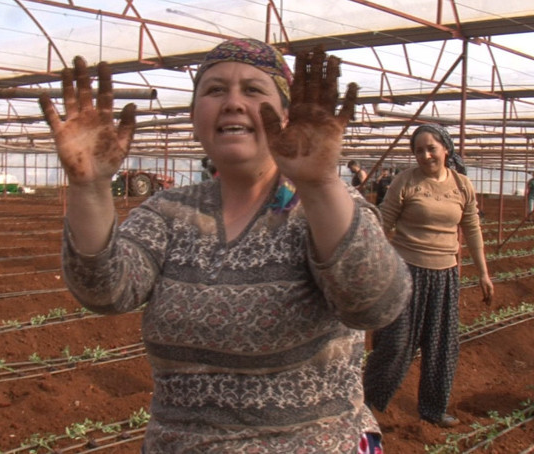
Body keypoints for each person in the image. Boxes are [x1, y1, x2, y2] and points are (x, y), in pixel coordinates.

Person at [38, 39, 412, 453]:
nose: (233, 102)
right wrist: (89, 187)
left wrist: (320, 183)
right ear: (195, 118)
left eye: (253, 90)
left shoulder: (320, 209)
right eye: (215, 90)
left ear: (286, 116)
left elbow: (376, 304)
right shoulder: (167, 213)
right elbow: (105, 291)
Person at [363, 123, 494, 428]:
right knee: (395, 342)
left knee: (441, 344)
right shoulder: (405, 182)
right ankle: (368, 402)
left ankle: (433, 409)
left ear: (445, 149)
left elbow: (472, 229)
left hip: (444, 275)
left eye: (431, 148)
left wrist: (484, 274)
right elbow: (383, 223)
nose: (425, 155)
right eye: (419, 150)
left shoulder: (462, 185)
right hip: (406, 272)